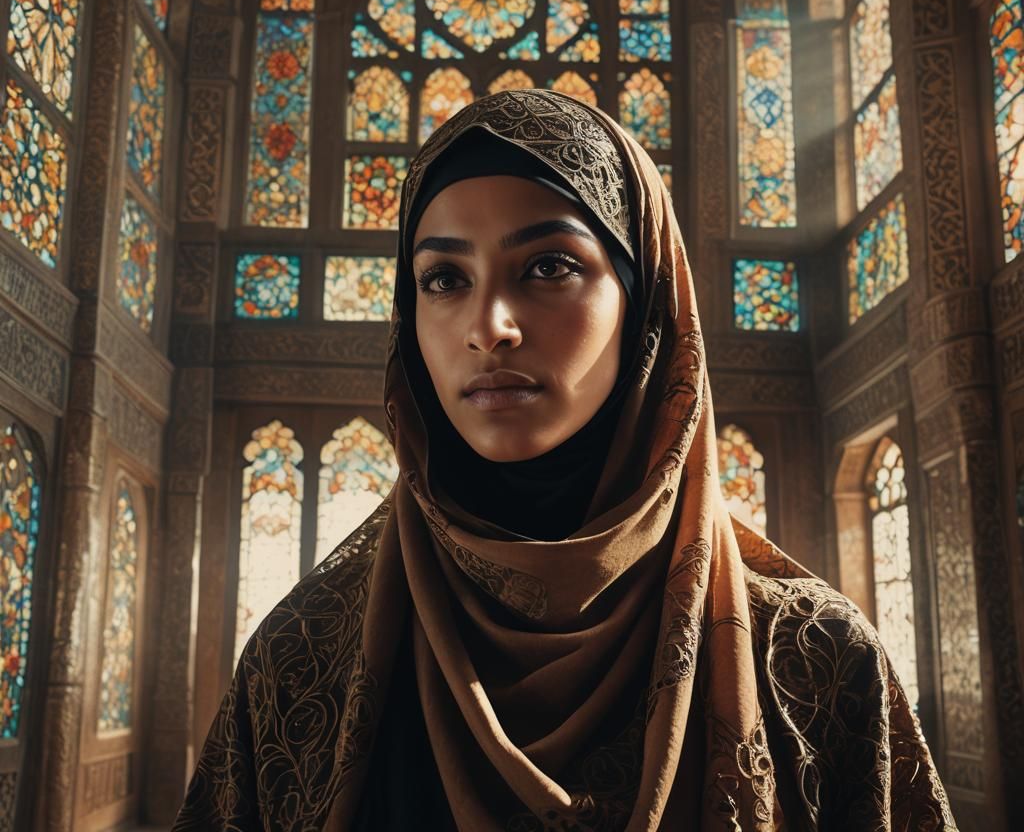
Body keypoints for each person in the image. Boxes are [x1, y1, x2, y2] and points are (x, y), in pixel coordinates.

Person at [173, 89, 954, 831]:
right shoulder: (301, 662)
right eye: (444, 279)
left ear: (646, 302)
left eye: (549, 266)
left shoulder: (814, 662)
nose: (491, 327)